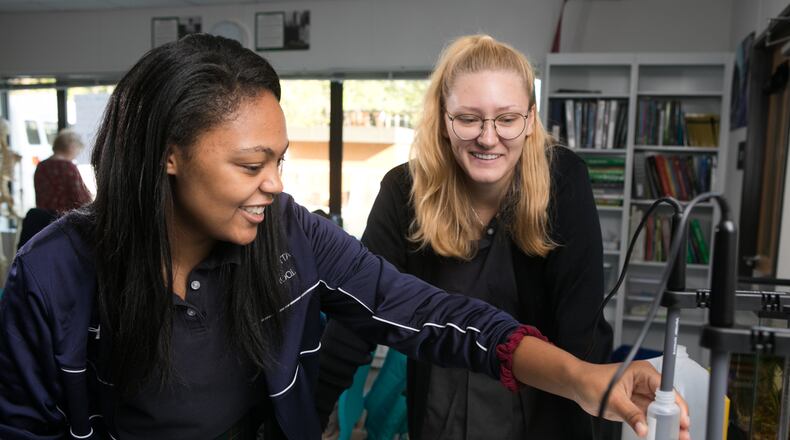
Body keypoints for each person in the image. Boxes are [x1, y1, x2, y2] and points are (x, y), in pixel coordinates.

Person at [0, 34, 689, 440]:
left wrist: (586, 381)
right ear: (167, 153)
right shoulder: (52, 273)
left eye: (280, 160)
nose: (274, 184)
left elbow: (435, 317)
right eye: (250, 164)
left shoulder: (290, 235)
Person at [318, 34, 616, 439]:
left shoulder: (563, 180)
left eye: (507, 119)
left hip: (544, 410)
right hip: (440, 413)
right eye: (469, 118)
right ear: (444, 119)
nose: (488, 137)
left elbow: (581, 333)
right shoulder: (404, 190)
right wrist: (307, 411)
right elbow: (359, 311)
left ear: (530, 121)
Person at [33, 128, 92, 214]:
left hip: (43, 219)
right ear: (72, 147)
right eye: (78, 151)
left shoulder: (41, 166)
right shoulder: (68, 167)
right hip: (64, 219)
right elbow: (81, 198)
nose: (76, 155)